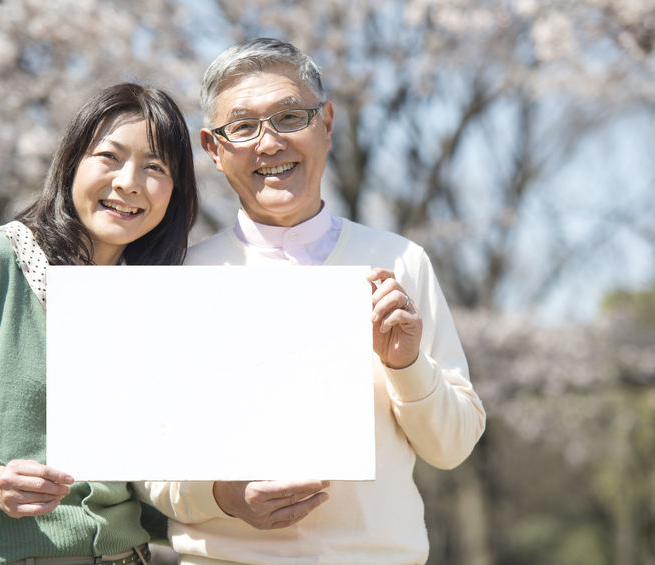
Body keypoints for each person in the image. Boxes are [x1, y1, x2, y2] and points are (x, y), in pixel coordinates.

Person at [134, 38, 486, 565]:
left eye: (289, 116)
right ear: (212, 148)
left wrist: (405, 363)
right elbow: (145, 464)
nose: (269, 143)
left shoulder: (398, 262)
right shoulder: (181, 279)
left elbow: (452, 446)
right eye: (243, 127)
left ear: (326, 123)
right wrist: (222, 497)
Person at [0, 82, 198, 564]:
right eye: (110, 157)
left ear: (175, 192)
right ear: (72, 161)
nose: (129, 182)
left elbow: (144, 479)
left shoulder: (152, 303)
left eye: (155, 167)